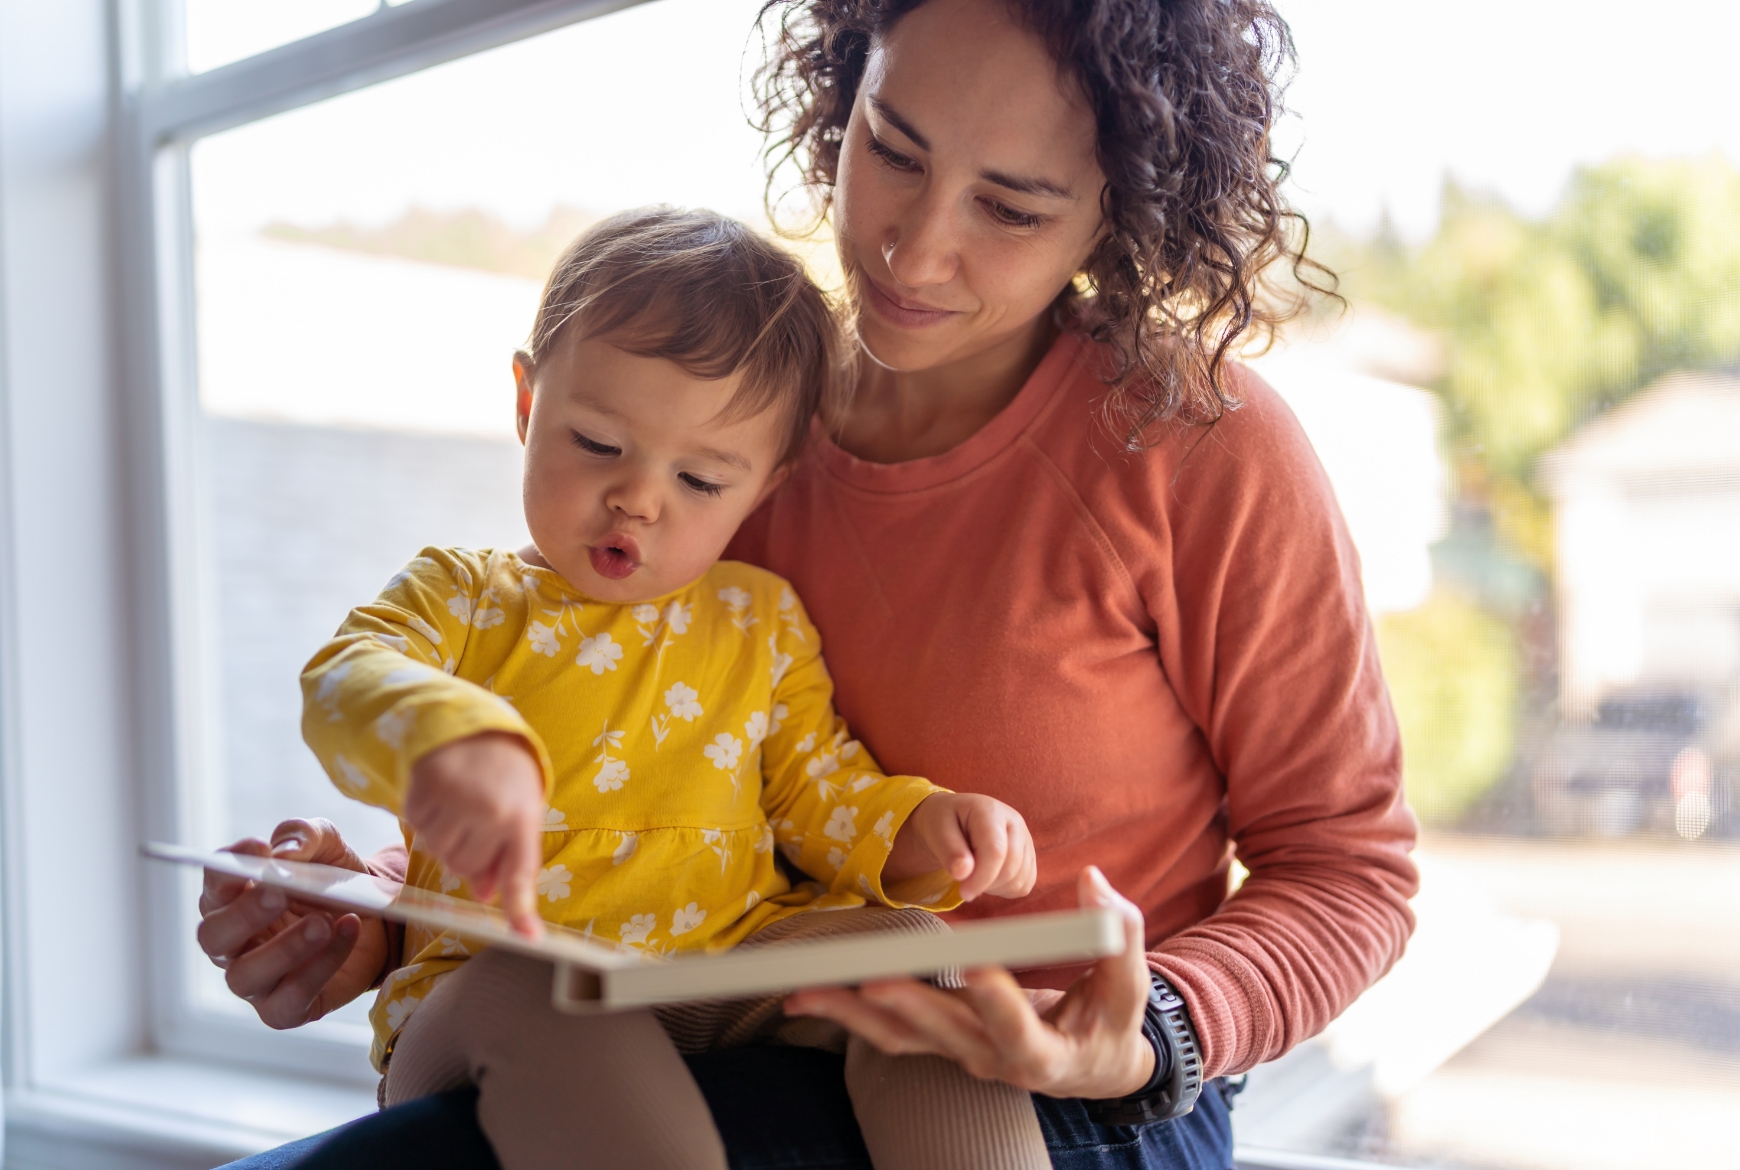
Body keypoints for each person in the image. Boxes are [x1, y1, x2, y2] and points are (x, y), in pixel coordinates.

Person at [201, 0, 1419, 1166]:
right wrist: (368, 918)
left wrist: (1158, 1025)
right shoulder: (724, 431)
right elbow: (622, 780)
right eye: (891, 149)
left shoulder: (1199, 446)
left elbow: (1351, 870)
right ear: (844, 90)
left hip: (1073, 1101)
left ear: (1120, 213)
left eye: (1009, 206)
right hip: (730, 1014)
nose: (915, 243)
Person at [294, 204, 1051, 1170]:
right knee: (543, 985)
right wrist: (448, 739)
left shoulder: (759, 620)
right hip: (492, 989)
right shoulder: (467, 596)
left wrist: (921, 830)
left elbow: (817, 790)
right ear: (528, 404)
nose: (640, 499)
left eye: (700, 481)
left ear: (765, 489)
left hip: (724, 965)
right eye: (599, 444)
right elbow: (345, 677)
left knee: (918, 949)